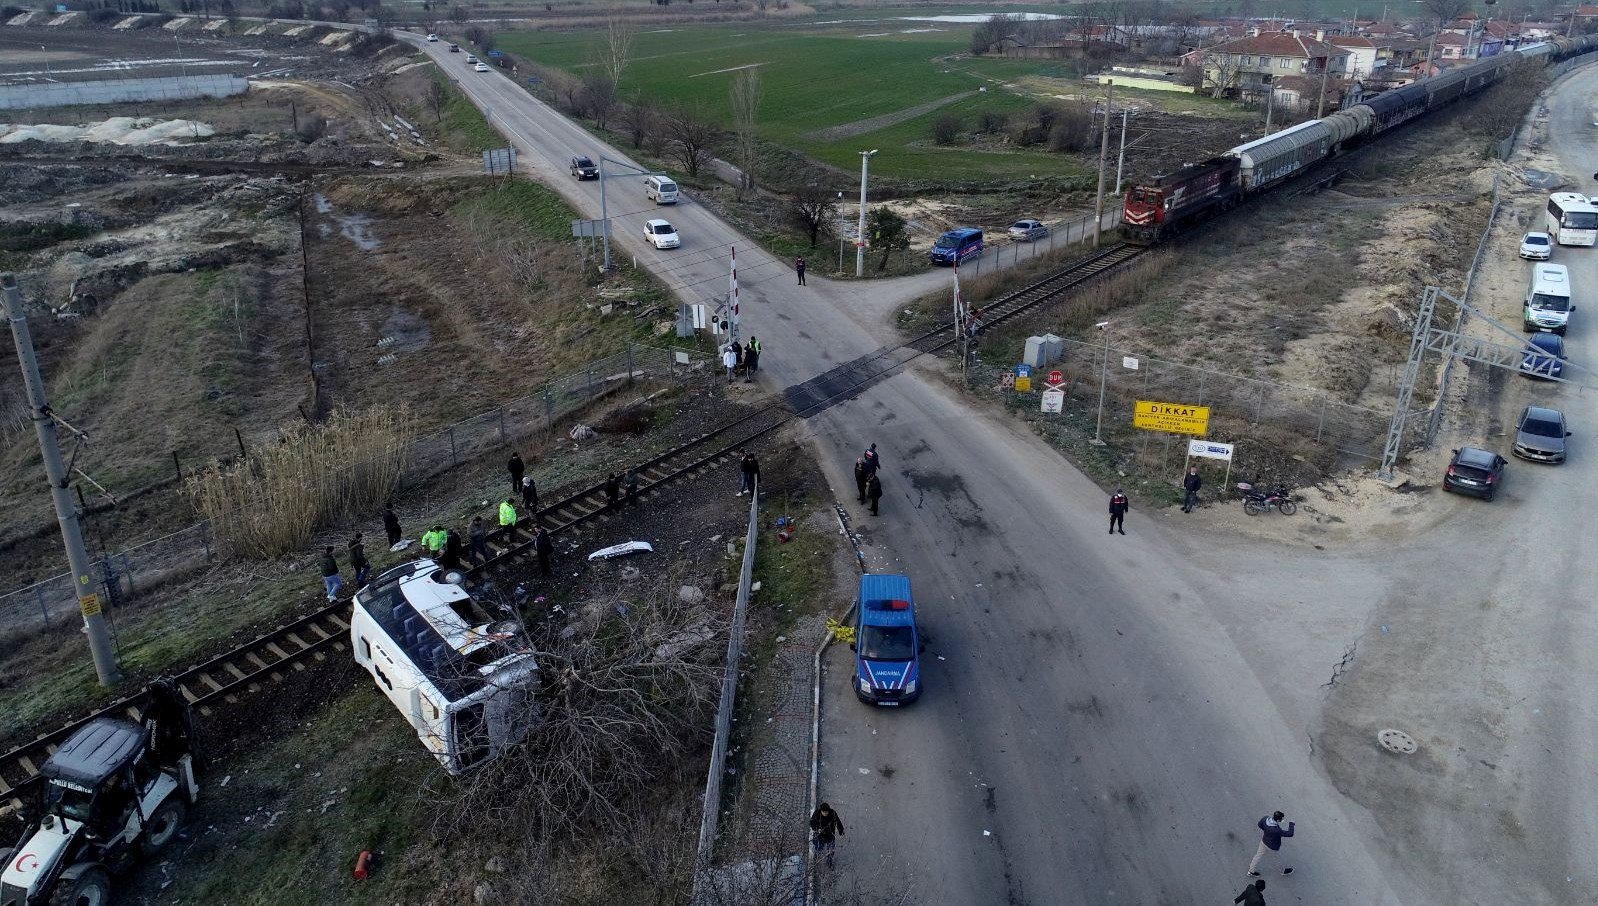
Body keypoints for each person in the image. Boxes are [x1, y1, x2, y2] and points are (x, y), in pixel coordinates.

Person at [1247, 811, 1295, 877]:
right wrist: (1291, 824)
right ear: (1278, 820)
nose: (1282, 820)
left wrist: (1267, 832)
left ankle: (1251, 870)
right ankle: (1283, 871)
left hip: (1263, 841)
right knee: (1277, 860)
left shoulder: (1265, 818)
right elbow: (1289, 834)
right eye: (1282, 819)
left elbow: (1259, 824)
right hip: (1272, 846)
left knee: (1258, 855)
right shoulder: (1275, 830)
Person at [809, 803, 844, 869]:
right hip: (820, 836)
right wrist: (817, 829)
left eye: (826, 812)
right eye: (823, 812)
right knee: (818, 849)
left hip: (830, 835)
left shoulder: (833, 813)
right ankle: (816, 859)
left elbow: (838, 822)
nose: (825, 813)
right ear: (821, 810)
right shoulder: (817, 813)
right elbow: (812, 823)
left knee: (830, 851)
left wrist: (841, 830)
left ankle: (829, 862)